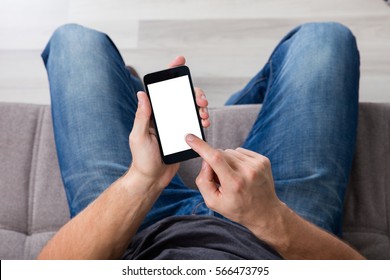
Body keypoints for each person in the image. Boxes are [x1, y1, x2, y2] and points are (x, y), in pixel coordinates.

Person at [38, 22, 364, 260]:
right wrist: (270, 218)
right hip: (269, 241)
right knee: (324, 39)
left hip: (135, 233)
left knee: (74, 42)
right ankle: (241, 107)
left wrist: (144, 179)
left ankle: (133, 85)